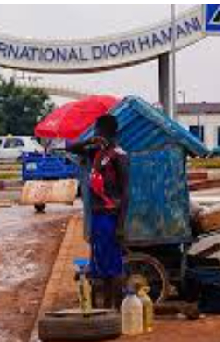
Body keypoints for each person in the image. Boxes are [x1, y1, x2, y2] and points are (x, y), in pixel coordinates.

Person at [67, 115, 129, 309]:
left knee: (113, 268)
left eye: (98, 132)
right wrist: (89, 141)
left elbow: (126, 192)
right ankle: (104, 308)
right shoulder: (96, 152)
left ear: (108, 133)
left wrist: (120, 226)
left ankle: (114, 309)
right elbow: (71, 147)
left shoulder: (119, 156)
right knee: (99, 266)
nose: (96, 135)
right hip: (97, 217)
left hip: (111, 217)